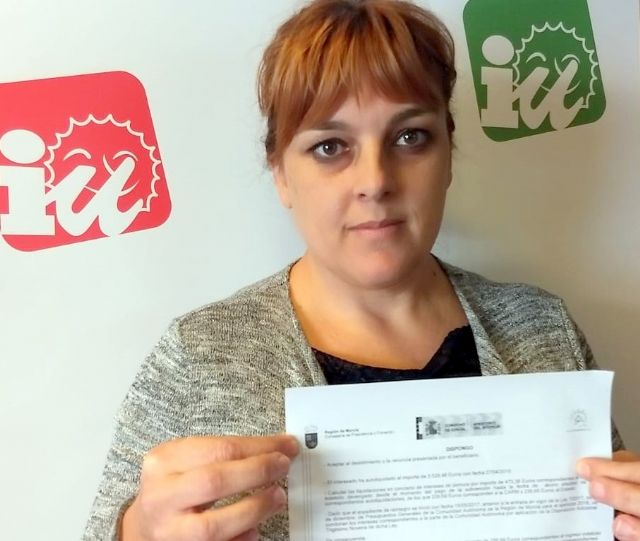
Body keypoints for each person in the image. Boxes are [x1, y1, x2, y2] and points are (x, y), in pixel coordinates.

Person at [82, 1, 640, 540]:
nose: (375, 181)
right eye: (330, 147)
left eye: (409, 137)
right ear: (280, 173)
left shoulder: (542, 328)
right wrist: (138, 535)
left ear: (448, 153)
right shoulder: (201, 357)